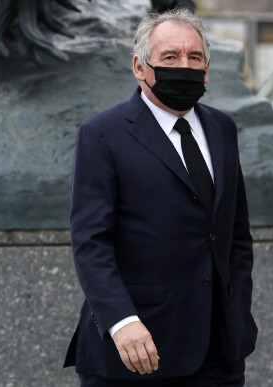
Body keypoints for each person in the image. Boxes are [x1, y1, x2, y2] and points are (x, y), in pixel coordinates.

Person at [63, 8, 258, 386]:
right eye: (170, 57)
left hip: (219, 353)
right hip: (135, 353)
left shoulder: (222, 128)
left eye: (194, 57)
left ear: (207, 67)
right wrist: (121, 322)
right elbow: (90, 243)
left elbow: (235, 234)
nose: (184, 66)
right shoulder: (102, 134)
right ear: (140, 67)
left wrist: (238, 313)